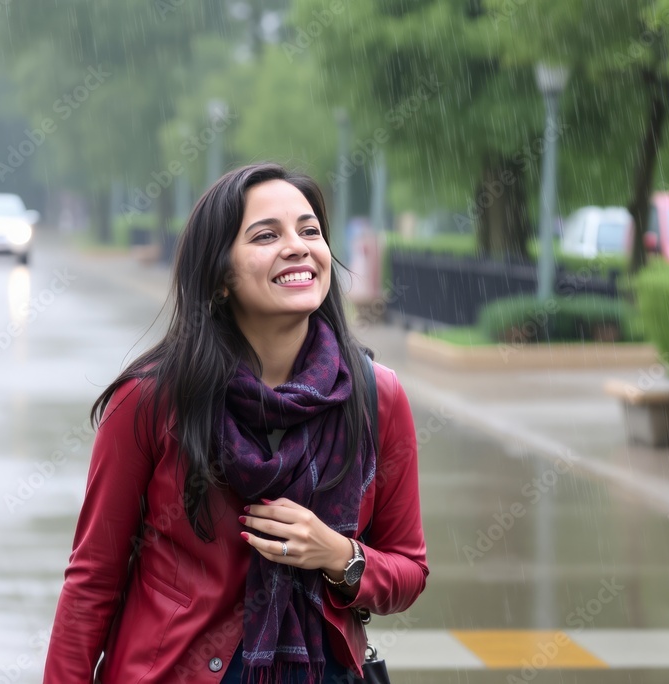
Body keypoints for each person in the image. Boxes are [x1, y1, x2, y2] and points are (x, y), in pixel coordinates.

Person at [43, 163, 428, 683]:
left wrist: (338, 554)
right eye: (267, 235)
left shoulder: (376, 397)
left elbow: (408, 570)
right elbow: (92, 581)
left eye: (310, 231)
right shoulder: (152, 399)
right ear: (221, 278)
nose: (297, 247)